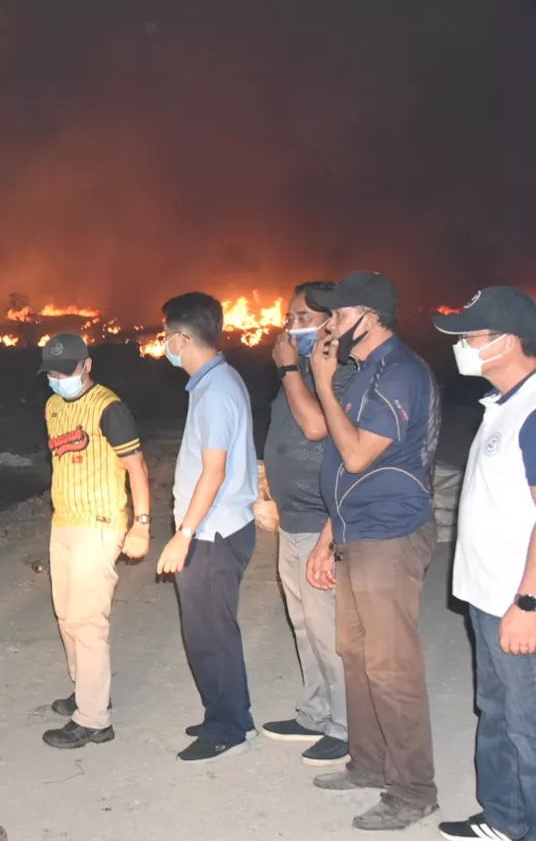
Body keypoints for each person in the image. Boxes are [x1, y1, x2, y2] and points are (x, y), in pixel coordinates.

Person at [304, 271, 441, 832]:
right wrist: (327, 536)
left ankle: (413, 791)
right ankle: (368, 763)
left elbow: (357, 456)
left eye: (335, 315)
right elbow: (342, 468)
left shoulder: (399, 374)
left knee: (391, 668)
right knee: (356, 656)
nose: (327, 326)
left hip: (389, 535)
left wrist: (321, 378)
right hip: (355, 533)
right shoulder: (364, 374)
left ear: (370, 317)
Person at [432, 288, 536, 841]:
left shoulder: (535, 409)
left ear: (507, 341)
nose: (462, 347)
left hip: (517, 604)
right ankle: (505, 820)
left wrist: (530, 602)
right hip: (487, 599)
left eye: (471, 336)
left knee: (529, 728)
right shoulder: (502, 405)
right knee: (495, 713)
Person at [156, 292, 259, 764]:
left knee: (211, 632)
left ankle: (228, 727)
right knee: (207, 630)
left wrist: (184, 534)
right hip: (218, 528)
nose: (164, 345)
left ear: (181, 336)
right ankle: (226, 710)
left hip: (213, 533)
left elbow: (213, 472)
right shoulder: (214, 382)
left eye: (165, 336)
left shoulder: (215, 391)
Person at [36, 333, 151, 749]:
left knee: (87, 621)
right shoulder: (51, 406)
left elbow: (136, 468)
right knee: (66, 616)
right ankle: (87, 690)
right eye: (52, 372)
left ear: (87, 365)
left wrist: (140, 525)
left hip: (100, 524)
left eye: (67, 370)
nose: (59, 378)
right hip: (64, 523)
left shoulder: (109, 408)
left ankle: (94, 719)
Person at [262, 283, 355, 767]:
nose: (290, 325)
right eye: (289, 316)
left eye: (301, 316)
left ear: (328, 321)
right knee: (304, 624)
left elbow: (318, 427)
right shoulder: (293, 375)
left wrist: (288, 369)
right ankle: (316, 711)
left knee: (329, 628)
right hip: (291, 517)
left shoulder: (337, 373)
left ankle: (346, 725)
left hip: (322, 524)